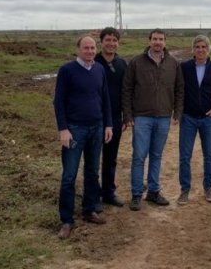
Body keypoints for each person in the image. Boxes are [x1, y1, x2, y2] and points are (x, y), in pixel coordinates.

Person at [53, 36, 113, 239]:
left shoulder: (99, 70)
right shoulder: (67, 71)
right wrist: (63, 129)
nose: (89, 51)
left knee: (92, 172)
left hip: (96, 127)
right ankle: (67, 220)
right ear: (78, 49)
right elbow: (58, 102)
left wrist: (108, 124)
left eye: (92, 48)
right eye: (85, 48)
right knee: (69, 175)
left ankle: (89, 210)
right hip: (75, 129)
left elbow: (105, 99)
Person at [122, 28, 184, 211]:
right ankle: (136, 194)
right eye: (155, 39)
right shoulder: (136, 62)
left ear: (165, 42)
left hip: (164, 117)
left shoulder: (173, 63)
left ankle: (154, 192)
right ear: (149, 41)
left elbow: (180, 89)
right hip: (141, 117)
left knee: (156, 155)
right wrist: (128, 115)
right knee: (139, 156)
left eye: (161, 39)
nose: (158, 42)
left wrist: (177, 113)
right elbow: (127, 90)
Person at [177, 35, 211, 205]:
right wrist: (179, 112)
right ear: (193, 49)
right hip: (188, 118)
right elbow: (178, 90)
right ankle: (184, 190)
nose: (201, 50)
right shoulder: (185, 67)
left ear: (208, 48)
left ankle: (208, 188)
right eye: (197, 47)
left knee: (209, 156)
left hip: (207, 119)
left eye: (204, 46)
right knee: (184, 156)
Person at [94, 27, 128, 207]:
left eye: (115, 40)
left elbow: (126, 91)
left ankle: (108, 192)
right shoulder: (93, 62)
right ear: (101, 42)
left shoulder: (122, 64)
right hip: (94, 118)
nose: (111, 43)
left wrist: (126, 116)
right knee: (93, 159)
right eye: (108, 40)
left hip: (114, 117)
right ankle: (93, 195)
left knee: (110, 157)